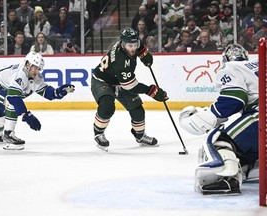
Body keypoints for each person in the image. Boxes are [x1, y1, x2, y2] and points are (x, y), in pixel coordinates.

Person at [179, 44, 259, 195]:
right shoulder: (258, 63)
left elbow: (235, 99)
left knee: (221, 141)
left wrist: (210, 115)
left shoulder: (230, 67)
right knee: (248, 146)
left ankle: (227, 178)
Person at [91, 28, 168, 151]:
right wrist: (151, 91)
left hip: (121, 81)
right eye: (129, 45)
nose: (133, 48)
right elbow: (130, 86)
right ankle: (98, 133)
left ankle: (140, 136)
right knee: (107, 107)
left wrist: (144, 54)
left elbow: (140, 46)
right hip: (102, 80)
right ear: (122, 43)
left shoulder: (133, 43)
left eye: (135, 45)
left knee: (138, 110)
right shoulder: (120, 61)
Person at [0, 52, 75, 150]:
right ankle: (9, 135)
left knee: (0, 120)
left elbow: (47, 92)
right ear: (28, 64)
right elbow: (13, 97)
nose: (37, 71)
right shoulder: (20, 74)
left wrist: (57, 92)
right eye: (35, 67)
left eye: (39, 68)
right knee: (10, 100)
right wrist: (26, 115)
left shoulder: (36, 78)